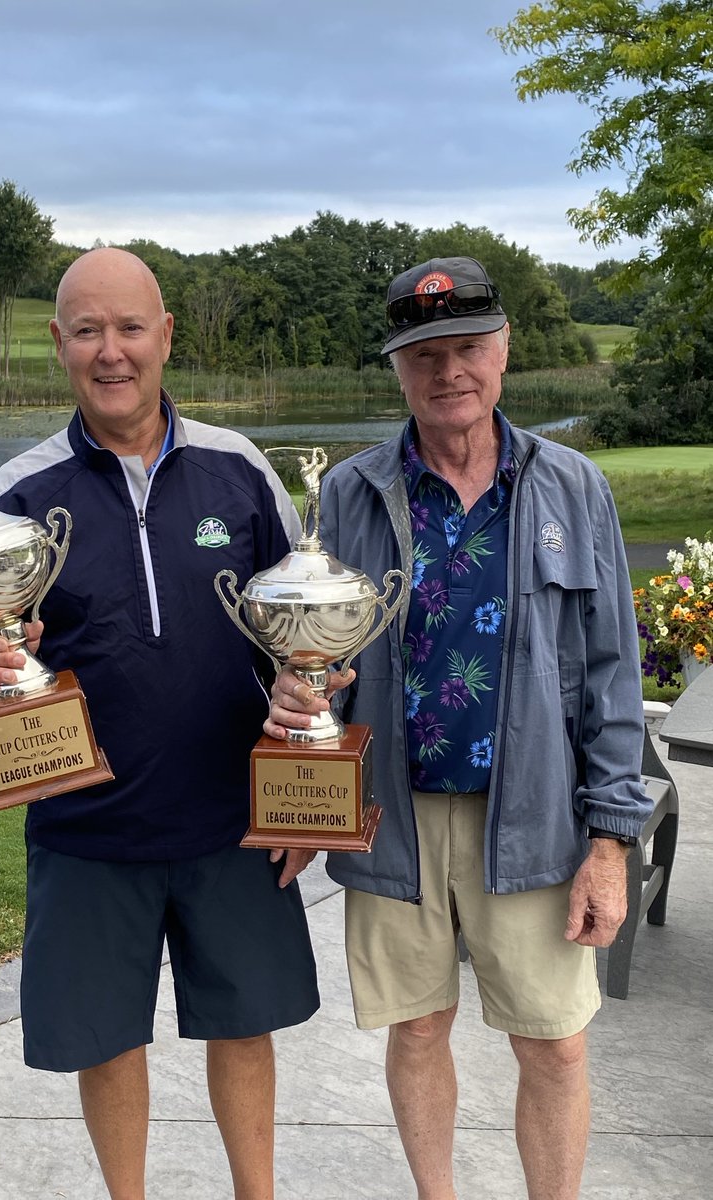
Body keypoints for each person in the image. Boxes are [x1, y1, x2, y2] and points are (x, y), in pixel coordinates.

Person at [265, 255, 652, 1200]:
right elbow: (310, 660)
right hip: (396, 814)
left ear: (504, 350)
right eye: (425, 353)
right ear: (398, 367)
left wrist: (610, 840)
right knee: (419, 1029)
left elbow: (611, 671)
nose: (450, 372)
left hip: (535, 819)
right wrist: (299, 762)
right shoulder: (348, 494)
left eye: (469, 348)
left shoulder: (572, 488)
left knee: (554, 1045)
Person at [0, 247, 320, 1200]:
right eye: (86, 330)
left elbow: (302, 638)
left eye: (130, 328)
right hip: (86, 828)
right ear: (59, 343)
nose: (111, 352)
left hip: (227, 823)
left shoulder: (238, 471)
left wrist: (304, 791)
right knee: (107, 1041)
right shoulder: (17, 496)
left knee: (243, 1026)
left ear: (165, 337)